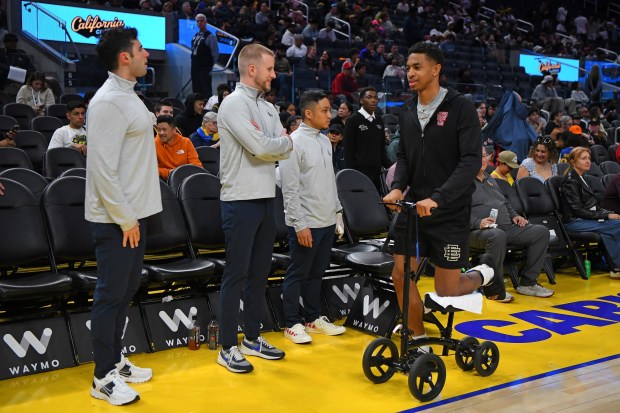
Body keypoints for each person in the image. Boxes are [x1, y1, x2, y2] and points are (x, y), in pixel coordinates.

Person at [383, 42, 494, 347]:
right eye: (407, 67)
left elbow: (470, 160)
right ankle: (417, 337)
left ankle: (482, 274)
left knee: (446, 289)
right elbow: (404, 155)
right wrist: (397, 186)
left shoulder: (460, 107)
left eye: (417, 67)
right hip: (414, 208)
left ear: (436, 69)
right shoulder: (407, 110)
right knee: (401, 275)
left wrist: (439, 197)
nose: (410, 73)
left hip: (449, 211)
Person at [85, 27, 162, 406]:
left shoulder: (129, 96)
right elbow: (102, 169)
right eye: (141, 48)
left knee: (125, 291)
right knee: (110, 296)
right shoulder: (107, 103)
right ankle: (102, 377)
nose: (148, 53)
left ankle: (114, 359)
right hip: (118, 220)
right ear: (125, 57)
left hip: (136, 215)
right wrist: (125, 218)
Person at [217, 43, 292, 373]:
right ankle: (226, 347)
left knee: (260, 273)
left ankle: (251, 337)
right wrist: (278, 144)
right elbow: (264, 146)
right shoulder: (233, 105)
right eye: (270, 69)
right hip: (238, 199)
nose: (274, 75)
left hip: (265, 198)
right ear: (252, 70)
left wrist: (277, 144)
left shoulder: (269, 109)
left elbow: (279, 147)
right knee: (236, 275)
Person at [279, 89, 346, 344]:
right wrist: (299, 224)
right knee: (297, 273)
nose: (330, 115)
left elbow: (330, 180)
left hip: (327, 219)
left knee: (317, 272)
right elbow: (290, 189)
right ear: (308, 113)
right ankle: (291, 323)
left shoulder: (323, 140)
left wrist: (338, 212)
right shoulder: (293, 143)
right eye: (325, 110)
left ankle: (313, 317)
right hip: (305, 223)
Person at [470, 146, 553, 301]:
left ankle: (528, 282)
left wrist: (515, 216)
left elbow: (505, 204)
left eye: (483, 156)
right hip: (475, 231)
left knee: (541, 232)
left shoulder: (490, 180)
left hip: (506, 227)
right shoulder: (461, 182)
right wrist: (477, 222)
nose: (481, 159)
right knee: (497, 235)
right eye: (476, 155)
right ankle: (494, 289)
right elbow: (455, 213)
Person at [560, 147, 620, 279]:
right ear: (573, 161)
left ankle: (615, 267)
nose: (588, 161)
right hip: (574, 222)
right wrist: (606, 215)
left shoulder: (582, 178)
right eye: (583, 158)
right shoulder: (570, 180)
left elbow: (591, 206)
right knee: (616, 225)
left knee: (612, 225)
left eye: (589, 158)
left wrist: (607, 213)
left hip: (584, 220)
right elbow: (578, 210)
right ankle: (616, 266)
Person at [343, 86, 391, 191]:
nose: (373, 100)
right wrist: (350, 174)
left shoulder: (379, 120)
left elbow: (381, 150)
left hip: (376, 174)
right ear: (361, 100)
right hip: (358, 174)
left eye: (375, 98)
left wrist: (392, 167)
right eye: (369, 97)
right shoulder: (352, 120)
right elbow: (348, 151)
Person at [154, 115, 202, 179]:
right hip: (163, 181)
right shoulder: (153, 144)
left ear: (174, 130)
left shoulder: (186, 142)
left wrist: (181, 173)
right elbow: (150, 169)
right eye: (159, 130)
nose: (161, 133)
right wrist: (168, 172)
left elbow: (197, 165)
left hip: (185, 178)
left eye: (164, 130)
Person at [191, 14, 219, 97]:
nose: (199, 22)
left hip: (205, 67)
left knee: (205, 89)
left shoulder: (210, 36)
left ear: (206, 22)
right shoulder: (195, 35)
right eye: (198, 21)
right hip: (195, 66)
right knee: (195, 88)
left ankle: (206, 108)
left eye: (202, 20)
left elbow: (215, 54)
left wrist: (209, 66)